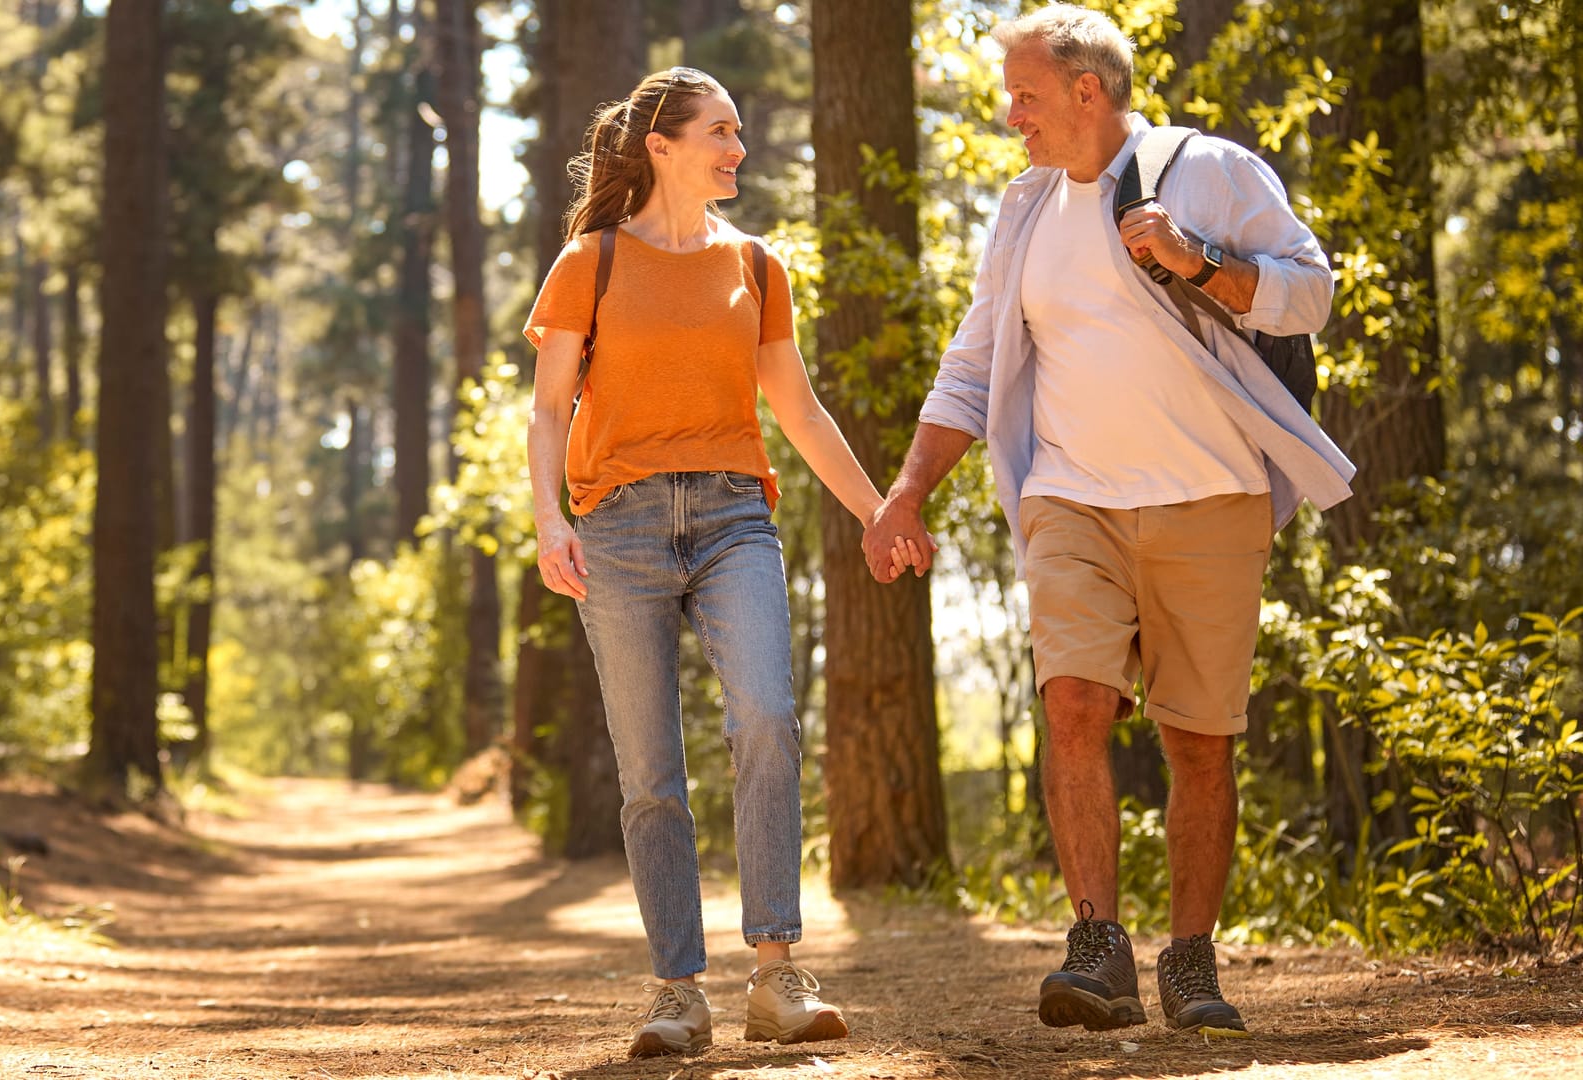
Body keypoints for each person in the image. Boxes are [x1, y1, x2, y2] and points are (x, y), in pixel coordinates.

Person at [862, 4, 1355, 1037]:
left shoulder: (1210, 171)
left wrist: (1199, 261)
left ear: (1089, 91)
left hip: (1209, 498)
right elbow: (976, 362)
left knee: (1198, 742)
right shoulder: (1026, 208)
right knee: (1076, 705)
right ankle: (1096, 946)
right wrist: (907, 492)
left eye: (1026, 96)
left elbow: (1311, 294)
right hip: (1072, 497)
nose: (1012, 117)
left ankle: (1188, 958)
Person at [524, 66, 919, 1058]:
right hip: (615, 526)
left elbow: (800, 410)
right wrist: (547, 521)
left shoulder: (759, 265)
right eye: (720, 131)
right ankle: (677, 992)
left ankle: (778, 976)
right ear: (660, 145)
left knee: (769, 719)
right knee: (651, 770)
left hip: (736, 513)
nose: (738, 148)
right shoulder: (592, 261)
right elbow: (546, 409)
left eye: (739, 132)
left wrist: (880, 510)